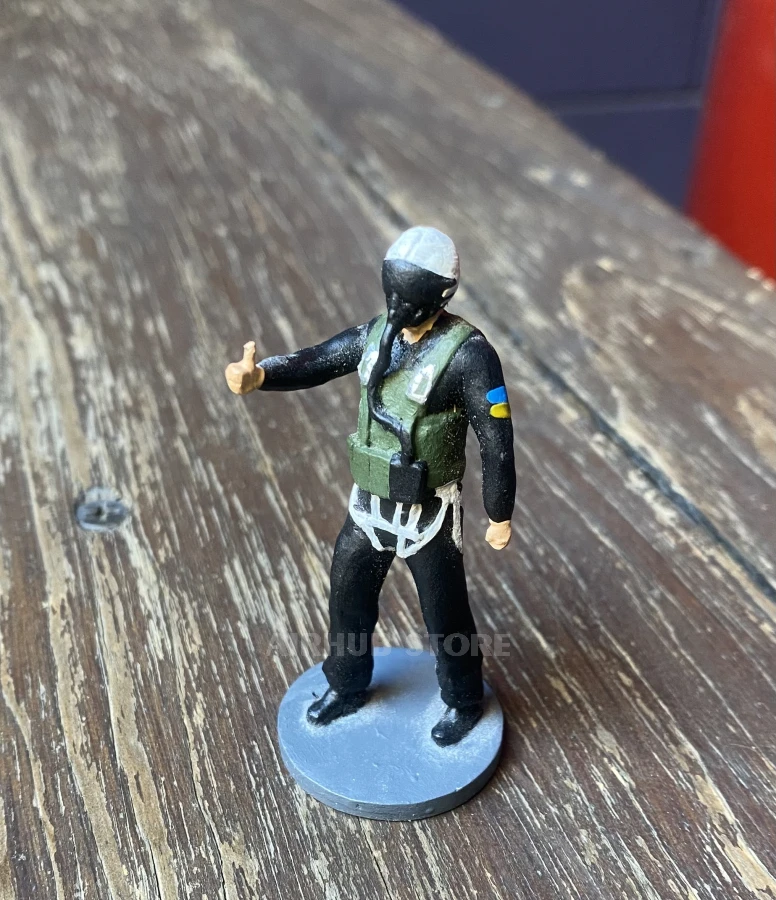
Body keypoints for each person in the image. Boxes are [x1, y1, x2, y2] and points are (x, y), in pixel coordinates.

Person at [226, 226, 516, 746]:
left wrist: (499, 511)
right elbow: (319, 359)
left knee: (445, 613)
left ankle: (464, 698)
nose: (398, 308)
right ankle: (346, 684)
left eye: (409, 298)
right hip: (369, 506)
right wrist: (263, 375)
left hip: (429, 514)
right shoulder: (376, 336)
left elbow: (496, 439)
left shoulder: (469, 357)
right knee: (347, 598)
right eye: (392, 294)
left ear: (440, 296)